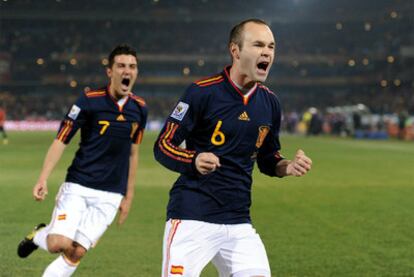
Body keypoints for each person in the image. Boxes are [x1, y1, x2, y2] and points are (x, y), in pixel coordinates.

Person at [154, 19, 312, 277]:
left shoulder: (270, 103)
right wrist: (193, 159)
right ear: (235, 51)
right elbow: (162, 145)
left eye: (271, 46)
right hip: (192, 217)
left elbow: (268, 159)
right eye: (258, 44)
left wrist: (287, 166)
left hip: (238, 222)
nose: (267, 52)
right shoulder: (201, 93)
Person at [17, 44, 148, 277]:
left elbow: (133, 153)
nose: (127, 71)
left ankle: (43, 237)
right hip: (78, 184)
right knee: (59, 243)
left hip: (111, 193)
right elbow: (61, 140)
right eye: (121, 66)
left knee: (76, 252)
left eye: (132, 67)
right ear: (110, 72)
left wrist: (129, 195)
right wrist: (43, 178)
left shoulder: (139, 109)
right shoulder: (88, 101)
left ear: (136, 72)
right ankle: (39, 236)